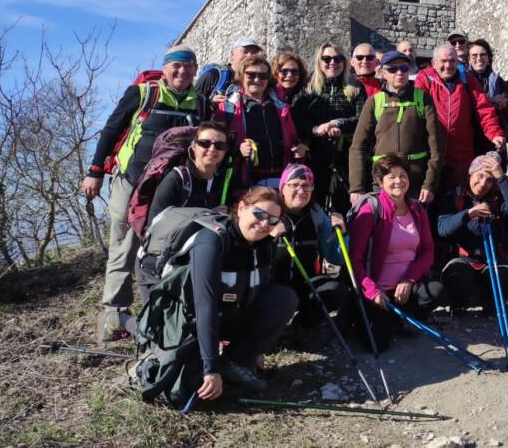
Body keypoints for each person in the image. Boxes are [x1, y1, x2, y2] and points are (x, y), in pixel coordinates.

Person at [83, 44, 208, 342]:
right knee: (125, 244)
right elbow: (111, 130)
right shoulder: (143, 94)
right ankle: (114, 314)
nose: (182, 71)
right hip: (132, 180)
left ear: (195, 70)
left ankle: (166, 308)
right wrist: (95, 171)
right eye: (176, 65)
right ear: (165, 68)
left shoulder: (201, 103)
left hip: (174, 186)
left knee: (170, 246)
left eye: (189, 66)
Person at [169, 187, 297, 400]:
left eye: (273, 220)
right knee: (184, 390)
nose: (265, 224)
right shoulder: (211, 241)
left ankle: (235, 362)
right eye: (259, 214)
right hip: (189, 320)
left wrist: (254, 351)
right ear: (241, 208)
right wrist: (210, 368)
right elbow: (204, 305)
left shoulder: (265, 245)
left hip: (229, 314)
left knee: (284, 298)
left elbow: (261, 295)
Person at [348, 155, 446, 351]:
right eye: (391, 177)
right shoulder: (370, 211)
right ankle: (365, 318)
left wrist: (408, 279)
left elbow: (427, 251)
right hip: (377, 292)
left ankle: (397, 320)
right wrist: (372, 291)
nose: (398, 181)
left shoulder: (417, 209)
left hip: (406, 289)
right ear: (380, 181)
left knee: (436, 289)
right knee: (377, 346)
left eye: (402, 175)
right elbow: (354, 260)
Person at [137, 121, 234, 304]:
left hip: (200, 260)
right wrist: (207, 215)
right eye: (205, 143)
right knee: (159, 328)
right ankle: (122, 321)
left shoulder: (225, 182)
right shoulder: (177, 178)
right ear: (194, 147)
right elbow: (155, 225)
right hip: (159, 261)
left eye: (219, 145)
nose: (212, 149)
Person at [350, 50, 444, 204]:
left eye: (404, 68)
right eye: (392, 69)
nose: (399, 73)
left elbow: (437, 148)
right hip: (381, 181)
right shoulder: (374, 102)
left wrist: (430, 185)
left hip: (415, 183)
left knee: (414, 227)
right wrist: (357, 187)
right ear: (382, 72)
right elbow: (358, 147)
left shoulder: (423, 99)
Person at [415, 44, 506, 194]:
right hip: (432, 149)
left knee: (459, 195)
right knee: (431, 195)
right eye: (443, 61)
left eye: (452, 61)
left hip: (461, 152)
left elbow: (483, 108)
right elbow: (418, 112)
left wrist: (495, 133)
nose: (448, 65)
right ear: (434, 63)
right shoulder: (424, 79)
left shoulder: (467, 79)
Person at [437, 154, 508, 312]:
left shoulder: (496, 199)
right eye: (480, 175)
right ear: (471, 173)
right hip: (464, 258)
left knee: (504, 277)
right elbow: (443, 229)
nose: (483, 184)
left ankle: (488, 303)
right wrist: (468, 214)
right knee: (457, 277)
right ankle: (462, 304)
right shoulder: (456, 196)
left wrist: (501, 177)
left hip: (491, 259)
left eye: (490, 180)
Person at [271, 164, 348, 327]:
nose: (301, 190)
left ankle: (301, 327)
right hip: (272, 289)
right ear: (282, 188)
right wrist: (268, 234)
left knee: (336, 290)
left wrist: (342, 234)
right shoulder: (269, 215)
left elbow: (337, 258)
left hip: (304, 285)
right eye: (294, 185)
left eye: (307, 186)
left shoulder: (317, 217)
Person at [215, 55, 307, 187]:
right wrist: (237, 150)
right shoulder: (228, 108)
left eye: (263, 76)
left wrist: (301, 149)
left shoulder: (281, 106)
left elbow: (294, 139)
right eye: (251, 75)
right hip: (245, 181)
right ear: (242, 76)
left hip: (282, 180)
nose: (257, 80)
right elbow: (216, 146)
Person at [301, 43, 366, 208]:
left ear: (344, 62)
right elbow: (297, 118)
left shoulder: (355, 87)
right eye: (327, 59)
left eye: (338, 59)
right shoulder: (308, 87)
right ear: (319, 61)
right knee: (315, 204)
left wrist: (338, 124)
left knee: (344, 206)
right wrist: (316, 130)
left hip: (345, 157)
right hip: (314, 155)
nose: (332, 63)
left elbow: (362, 118)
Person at [195, 38, 262, 100]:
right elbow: (191, 104)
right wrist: (210, 105)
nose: (249, 56)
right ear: (232, 54)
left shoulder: (259, 81)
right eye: (245, 51)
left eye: (254, 53)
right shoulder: (214, 75)